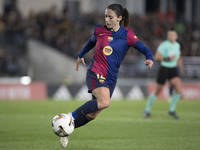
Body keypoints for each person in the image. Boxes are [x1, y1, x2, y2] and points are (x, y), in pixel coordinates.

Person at [60, 3, 154, 148]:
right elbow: (90, 43)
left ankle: (66, 130)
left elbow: (144, 48)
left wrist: (150, 57)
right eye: (106, 16)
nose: (107, 20)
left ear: (119, 18)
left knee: (92, 115)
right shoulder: (99, 30)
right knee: (105, 102)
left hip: (111, 78)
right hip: (95, 72)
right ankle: (70, 117)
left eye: (110, 17)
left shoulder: (128, 34)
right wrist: (81, 55)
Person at [144, 28, 183, 120]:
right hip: (164, 68)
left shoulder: (177, 45)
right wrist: (168, 59)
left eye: (173, 35)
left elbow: (179, 58)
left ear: (176, 36)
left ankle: (172, 110)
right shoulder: (164, 45)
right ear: (168, 36)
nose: (172, 37)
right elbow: (157, 57)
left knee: (178, 89)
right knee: (158, 91)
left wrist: (181, 68)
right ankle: (147, 109)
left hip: (173, 69)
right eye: (170, 35)